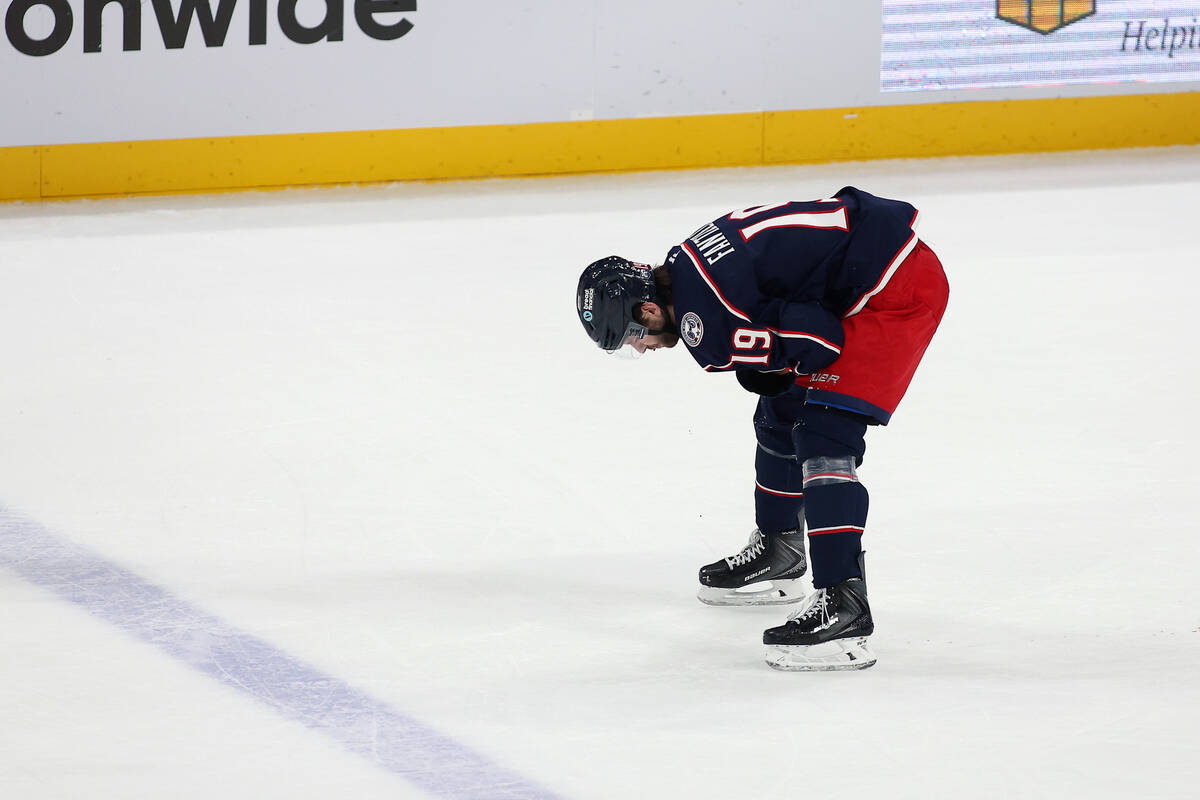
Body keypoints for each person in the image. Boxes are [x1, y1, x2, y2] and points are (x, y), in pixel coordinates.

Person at [575, 186, 948, 671]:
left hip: (895, 292)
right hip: (874, 263)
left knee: (824, 434)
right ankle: (780, 547)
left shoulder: (704, 324)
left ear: (647, 309)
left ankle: (844, 602)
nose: (641, 348)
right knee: (780, 413)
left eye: (633, 337)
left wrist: (768, 364)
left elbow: (820, 340)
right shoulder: (684, 263)